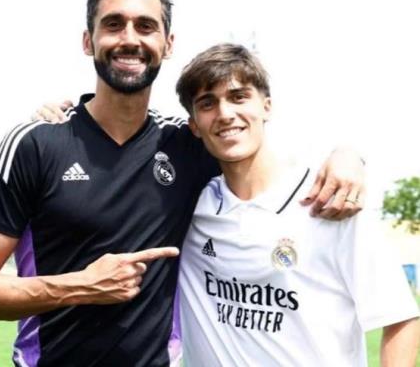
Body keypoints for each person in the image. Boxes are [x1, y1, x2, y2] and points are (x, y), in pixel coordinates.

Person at [0, 0, 365, 367]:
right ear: (88, 41)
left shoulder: (186, 145)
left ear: (168, 44)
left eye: (146, 26)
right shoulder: (35, 145)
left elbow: (260, 153)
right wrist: (80, 286)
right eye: (114, 25)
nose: (130, 39)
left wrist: (348, 156)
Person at [173, 43, 419, 366]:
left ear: (267, 106)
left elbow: (400, 318)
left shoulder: (332, 200)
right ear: (194, 125)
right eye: (207, 103)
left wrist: (349, 153)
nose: (225, 113)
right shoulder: (188, 206)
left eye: (238, 97)